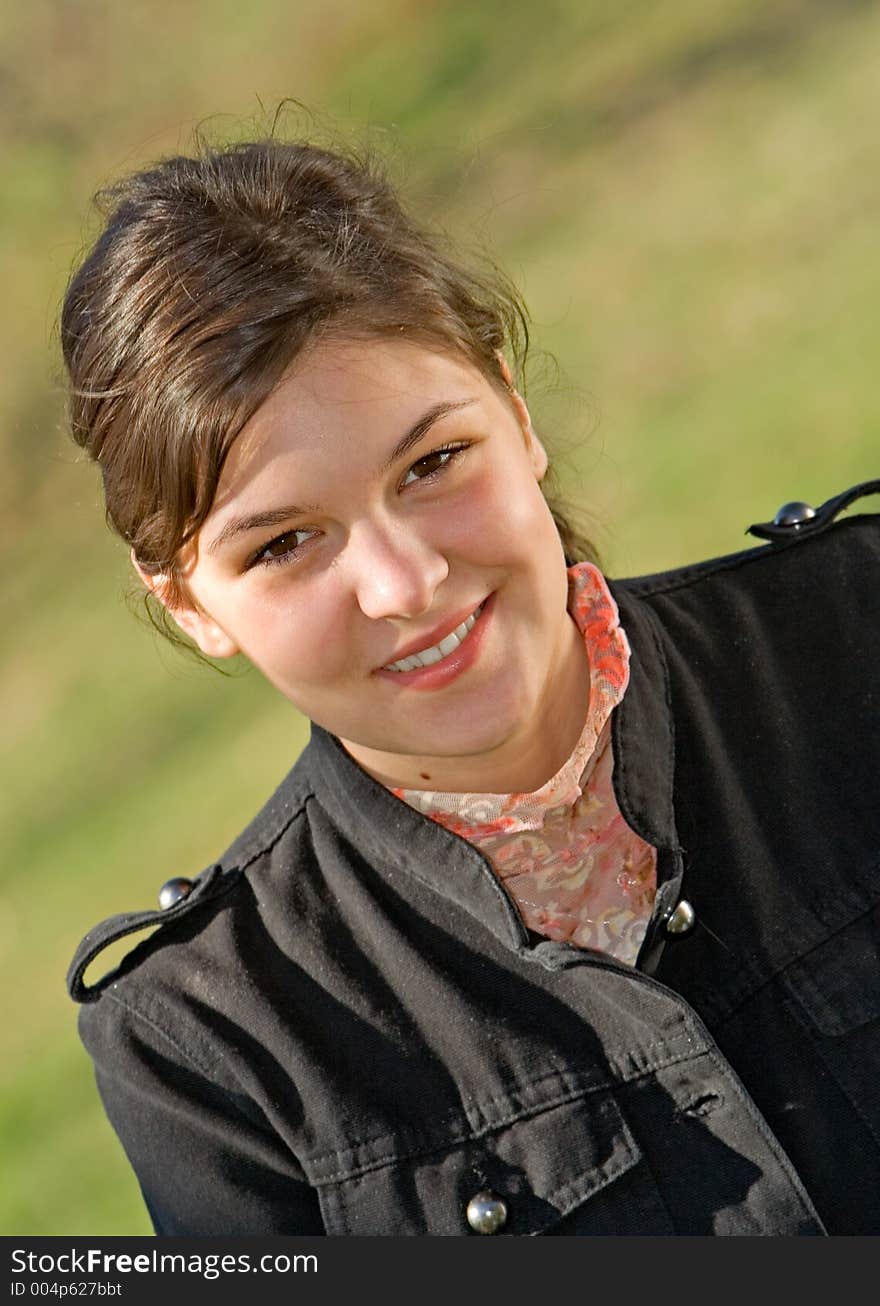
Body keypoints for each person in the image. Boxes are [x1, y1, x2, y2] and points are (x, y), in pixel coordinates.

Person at [64, 136, 880, 1237]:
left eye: (432, 462)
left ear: (515, 412)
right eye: (286, 543)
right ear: (192, 603)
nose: (405, 585)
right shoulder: (211, 1047)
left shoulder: (854, 626)